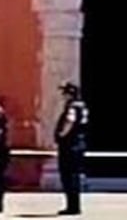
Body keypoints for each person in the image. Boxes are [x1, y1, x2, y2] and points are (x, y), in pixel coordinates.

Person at [54, 82, 88, 216]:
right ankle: (74, 205)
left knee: (68, 176)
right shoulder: (83, 106)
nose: (63, 95)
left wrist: (62, 134)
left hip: (69, 145)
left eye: (64, 93)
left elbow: (70, 120)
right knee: (75, 175)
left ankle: (71, 206)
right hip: (79, 143)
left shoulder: (72, 106)